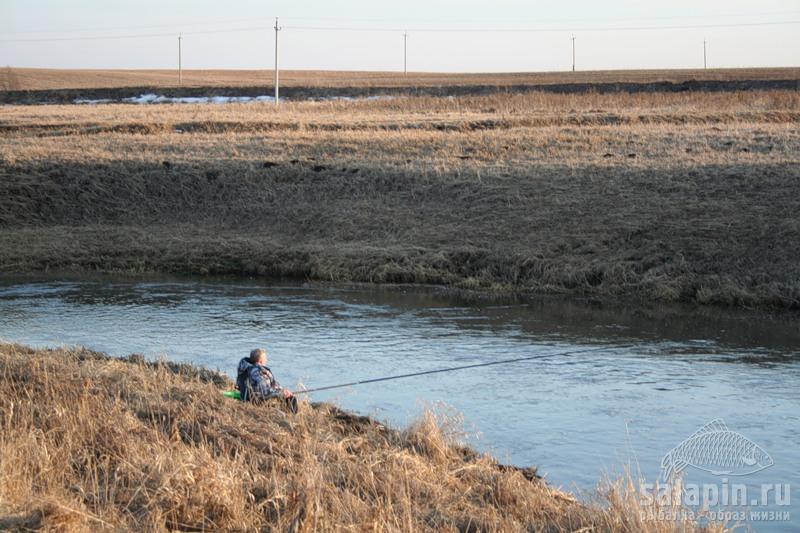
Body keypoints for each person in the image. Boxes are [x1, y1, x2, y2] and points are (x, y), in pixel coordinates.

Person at [237, 348, 297, 413]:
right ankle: (291, 416)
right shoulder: (256, 372)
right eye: (265, 358)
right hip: (256, 400)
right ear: (260, 361)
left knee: (286, 394)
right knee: (292, 398)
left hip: (247, 396)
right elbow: (264, 392)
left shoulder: (245, 368)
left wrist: (282, 390)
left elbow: (272, 384)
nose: (266, 360)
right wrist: (281, 393)